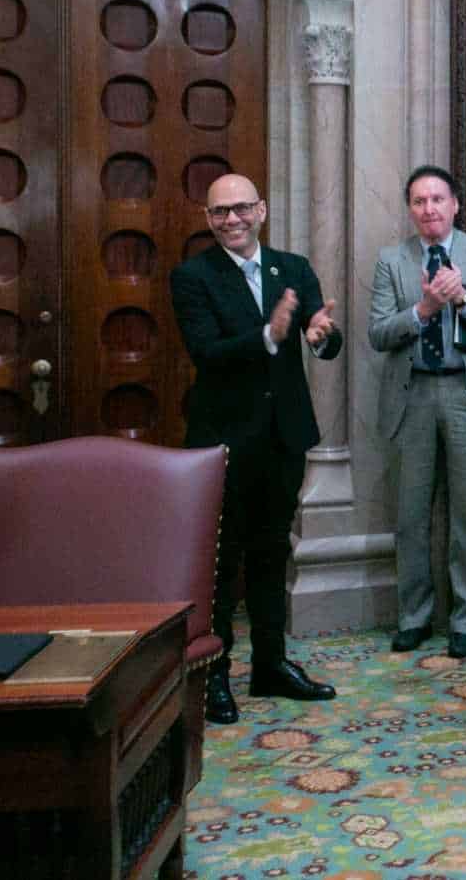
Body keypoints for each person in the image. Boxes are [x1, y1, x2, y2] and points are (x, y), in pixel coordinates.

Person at [170, 173, 343, 725]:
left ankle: (270, 665)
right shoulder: (192, 276)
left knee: (273, 552)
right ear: (208, 218)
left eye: (241, 208)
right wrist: (270, 336)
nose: (232, 220)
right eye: (220, 212)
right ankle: (214, 677)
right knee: (223, 561)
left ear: (261, 210)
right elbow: (207, 352)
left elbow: (323, 330)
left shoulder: (292, 268)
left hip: (283, 435)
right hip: (223, 439)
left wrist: (320, 336)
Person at [368, 165, 466, 659]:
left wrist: (463, 299)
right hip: (414, 395)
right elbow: (379, 333)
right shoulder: (393, 260)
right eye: (419, 201)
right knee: (411, 516)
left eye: (437, 199)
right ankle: (414, 617)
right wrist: (423, 311)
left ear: (454, 205)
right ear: (410, 209)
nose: (428, 209)